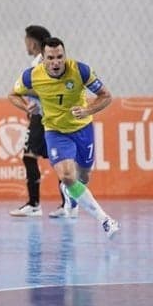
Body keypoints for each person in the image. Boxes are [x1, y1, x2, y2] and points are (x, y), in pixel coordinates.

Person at [8, 37, 120, 239]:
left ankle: (71, 193)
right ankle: (105, 220)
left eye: (60, 57)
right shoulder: (32, 76)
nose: (56, 62)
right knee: (68, 177)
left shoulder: (80, 71)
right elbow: (13, 94)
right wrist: (26, 107)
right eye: (50, 58)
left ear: (65, 56)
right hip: (55, 131)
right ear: (43, 59)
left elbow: (106, 96)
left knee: (83, 178)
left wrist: (88, 110)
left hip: (82, 129)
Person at [9, 25, 51, 217]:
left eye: (26, 40)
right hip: (46, 115)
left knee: (29, 156)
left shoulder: (39, 62)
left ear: (32, 42)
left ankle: (34, 204)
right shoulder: (47, 60)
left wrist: (22, 89)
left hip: (43, 117)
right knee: (59, 160)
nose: (24, 44)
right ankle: (69, 205)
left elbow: (46, 89)